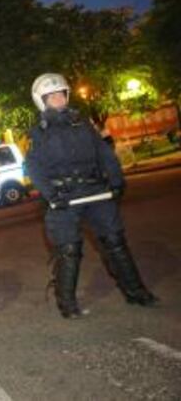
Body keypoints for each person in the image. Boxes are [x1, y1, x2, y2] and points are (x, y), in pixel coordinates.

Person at [25, 73, 158, 319]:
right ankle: (67, 304)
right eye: (51, 96)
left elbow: (104, 153)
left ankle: (136, 292)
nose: (57, 98)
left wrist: (117, 181)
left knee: (115, 244)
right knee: (68, 251)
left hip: (96, 191)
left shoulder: (83, 123)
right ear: (41, 100)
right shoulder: (39, 133)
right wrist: (52, 195)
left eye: (60, 93)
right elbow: (33, 168)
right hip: (64, 198)